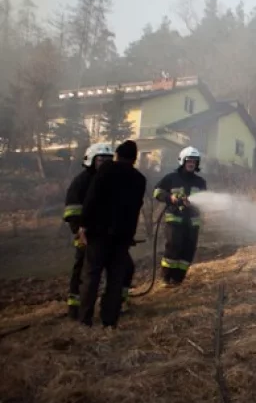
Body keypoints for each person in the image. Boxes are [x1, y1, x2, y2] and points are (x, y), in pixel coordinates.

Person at [77, 140, 147, 328]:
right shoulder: (140, 179)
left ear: (117, 155)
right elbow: (135, 209)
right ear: (134, 158)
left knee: (92, 276)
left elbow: (92, 198)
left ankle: (85, 319)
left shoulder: (107, 170)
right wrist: (129, 235)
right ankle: (109, 321)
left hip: (99, 234)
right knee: (115, 280)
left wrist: (83, 224)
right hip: (122, 237)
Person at [62, 143, 113, 319]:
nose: (105, 163)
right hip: (86, 234)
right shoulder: (82, 181)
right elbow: (72, 210)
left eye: (108, 160)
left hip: (107, 235)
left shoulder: (111, 181)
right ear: (91, 160)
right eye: (101, 160)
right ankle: (74, 308)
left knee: (122, 268)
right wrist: (78, 231)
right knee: (82, 271)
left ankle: (117, 304)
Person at [153, 146, 207, 287]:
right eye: (189, 161)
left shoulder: (200, 182)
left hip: (192, 222)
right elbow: (157, 192)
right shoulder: (171, 178)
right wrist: (170, 198)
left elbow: (205, 201)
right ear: (182, 161)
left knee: (188, 250)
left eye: (194, 161)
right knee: (173, 246)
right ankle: (166, 278)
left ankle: (178, 279)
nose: (192, 164)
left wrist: (193, 205)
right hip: (175, 220)